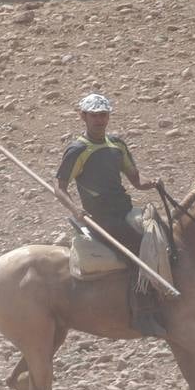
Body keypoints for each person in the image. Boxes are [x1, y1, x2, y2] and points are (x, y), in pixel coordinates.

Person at [56, 93, 166, 337]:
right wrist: (76, 210)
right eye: (94, 116)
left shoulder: (117, 144)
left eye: (103, 115)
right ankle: (142, 312)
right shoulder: (78, 149)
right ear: (83, 116)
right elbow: (59, 188)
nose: (99, 120)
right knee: (139, 247)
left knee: (162, 235)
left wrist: (152, 183)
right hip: (100, 218)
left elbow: (136, 180)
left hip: (125, 210)